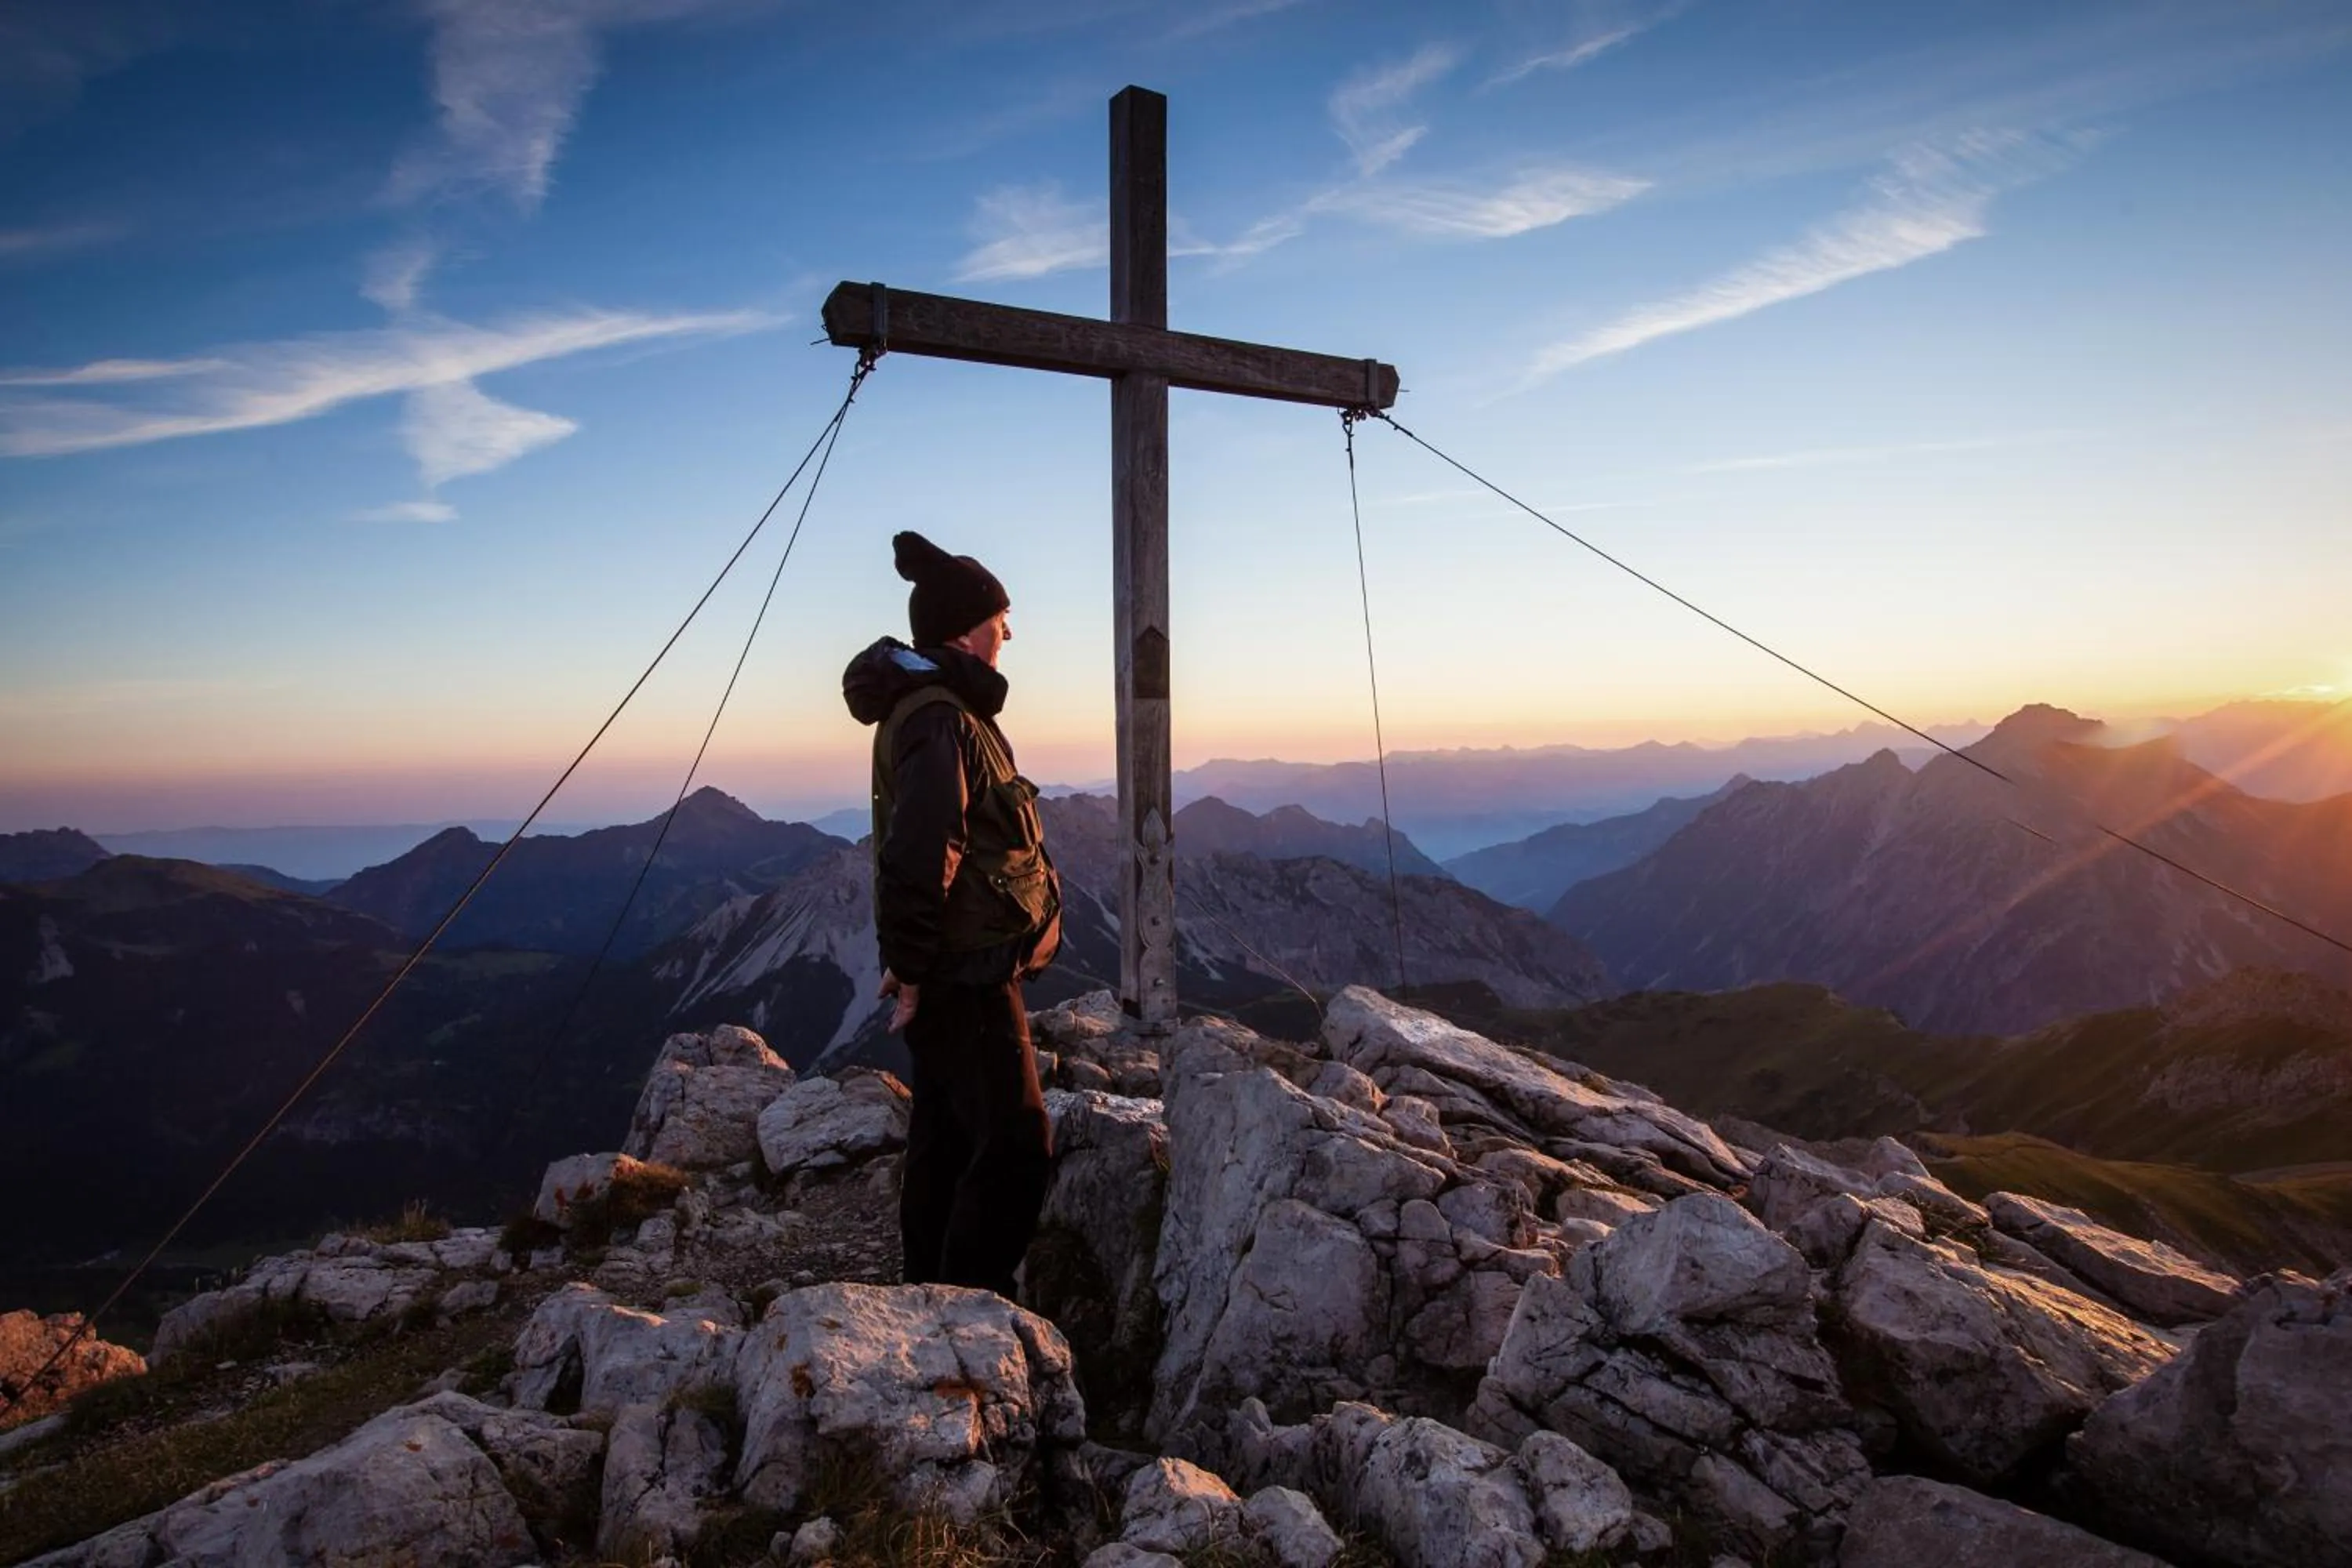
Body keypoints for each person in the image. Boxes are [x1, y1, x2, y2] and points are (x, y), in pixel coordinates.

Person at [841, 531, 1062, 1298]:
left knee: (946, 1136)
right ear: (971, 626)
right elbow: (922, 847)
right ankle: (971, 1311)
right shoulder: (940, 716)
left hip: (955, 964)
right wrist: (910, 967)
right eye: (1004, 622)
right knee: (1016, 1143)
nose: (1009, 638)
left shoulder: (939, 710)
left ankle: (924, 1297)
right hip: (964, 971)